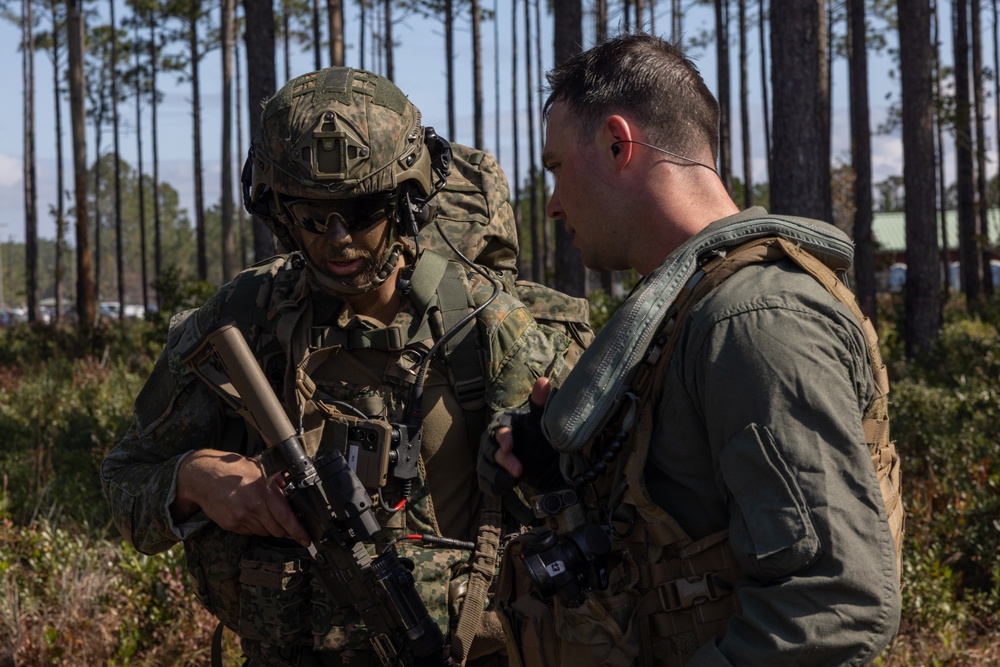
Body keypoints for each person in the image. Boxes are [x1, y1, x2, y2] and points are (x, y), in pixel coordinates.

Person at [102, 66, 589, 667]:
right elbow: (124, 479)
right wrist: (195, 478)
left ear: (406, 201)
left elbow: (591, 509)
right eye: (313, 215)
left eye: (362, 214)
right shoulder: (243, 319)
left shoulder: (486, 324)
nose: (338, 240)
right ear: (279, 210)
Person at [479, 33, 903, 666]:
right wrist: (565, 469)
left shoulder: (755, 321)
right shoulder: (693, 311)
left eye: (558, 170)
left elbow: (832, 605)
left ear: (619, 144)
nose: (556, 206)